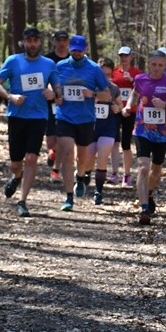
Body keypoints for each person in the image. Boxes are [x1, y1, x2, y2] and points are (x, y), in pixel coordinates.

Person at [0, 26, 61, 218]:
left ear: (40, 42)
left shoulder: (48, 64)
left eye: (35, 40)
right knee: (15, 162)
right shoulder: (13, 61)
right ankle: (16, 176)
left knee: (31, 158)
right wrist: (10, 96)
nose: (32, 44)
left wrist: (53, 94)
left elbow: (58, 89)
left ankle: (22, 201)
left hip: (38, 118)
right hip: (16, 116)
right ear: (24, 42)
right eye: (29, 41)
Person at [121, 49, 166, 224]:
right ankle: (144, 209)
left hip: (162, 134)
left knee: (156, 171)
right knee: (143, 167)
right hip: (142, 130)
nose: (157, 68)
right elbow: (135, 93)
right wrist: (128, 106)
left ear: (165, 66)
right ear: (148, 64)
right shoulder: (141, 79)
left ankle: (148, 193)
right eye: (154, 64)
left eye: (161, 65)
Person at [54, 35, 111, 212]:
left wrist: (93, 94)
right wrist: (57, 96)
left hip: (86, 118)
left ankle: (80, 176)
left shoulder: (94, 69)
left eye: (80, 49)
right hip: (64, 117)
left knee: (82, 157)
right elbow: (53, 87)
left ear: (85, 49)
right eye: (74, 49)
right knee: (68, 152)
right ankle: (69, 196)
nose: (77, 52)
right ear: (70, 48)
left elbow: (107, 94)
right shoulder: (60, 66)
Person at [83, 58, 123, 205]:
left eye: (108, 74)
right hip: (91, 127)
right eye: (102, 74)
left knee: (102, 158)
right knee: (89, 157)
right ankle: (86, 174)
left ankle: (98, 192)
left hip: (108, 127)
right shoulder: (89, 87)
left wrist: (117, 108)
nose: (105, 77)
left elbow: (121, 107)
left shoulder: (113, 88)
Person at [112, 46, 141, 188]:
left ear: (131, 57)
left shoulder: (137, 73)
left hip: (130, 111)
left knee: (126, 144)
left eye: (126, 56)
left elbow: (142, 90)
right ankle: (114, 173)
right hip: (116, 110)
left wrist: (132, 80)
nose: (124, 58)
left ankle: (127, 175)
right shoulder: (114, 72)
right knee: (114, 142)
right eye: (121, 56)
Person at [43, 30, 71, 183]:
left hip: (67, 103)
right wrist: (52, 93)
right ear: (54, 42)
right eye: (58, 40)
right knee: (51, 140)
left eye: (64, 40)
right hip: (50, 102)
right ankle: (52, 152)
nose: (61, 43)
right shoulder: (47, 59)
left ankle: (55, 170)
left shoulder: (72, 59)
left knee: (62, 136)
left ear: (67, 42)